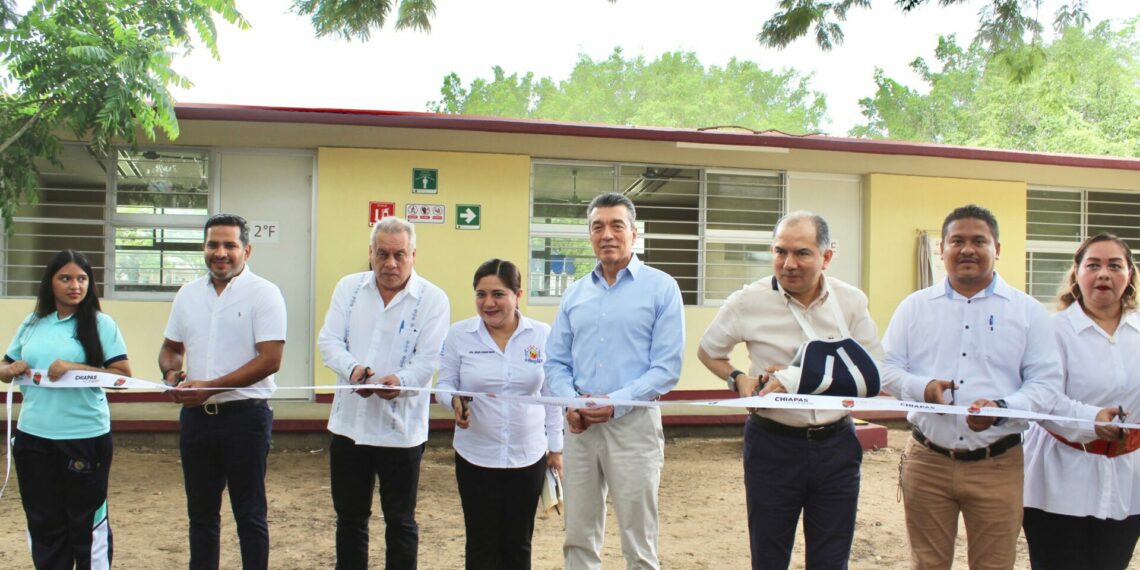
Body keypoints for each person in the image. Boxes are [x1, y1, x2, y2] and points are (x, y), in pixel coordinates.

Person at [697, 211, 883, 569]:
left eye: (802, 253)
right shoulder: (747, 301)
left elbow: (872, 371)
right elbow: (708, 350)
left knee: (831, 559)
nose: (789, 264)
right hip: (772, 445)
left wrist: (795, 378)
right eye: (780, 252)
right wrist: (738, 378)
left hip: (836, 446)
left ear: (827, 256)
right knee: (769, 556)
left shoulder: (851, 301)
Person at [882, 204, 1062, 570]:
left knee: (994, 564)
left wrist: (1001, 408)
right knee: (927, 564)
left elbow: (1046, 384)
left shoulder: (1027, 312)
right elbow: (887, 369)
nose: (967, 249)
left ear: (998, 248)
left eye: (979, 241)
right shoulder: (915, 307)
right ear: (941, 249)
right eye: (957, 241)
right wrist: (923, 387)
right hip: (927, 460)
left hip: (997, 463)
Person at [544, 192, 684, 570]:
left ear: (633, 234)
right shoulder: (574, 294)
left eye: (616, 225)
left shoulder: (661, 288)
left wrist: (616, 402)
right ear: (589, 235)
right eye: (597, 226)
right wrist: (570, 402)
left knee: (639, 539)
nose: (607, 234)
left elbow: (667, 366)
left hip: (634, 426)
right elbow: (555, 360)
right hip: (579, 428)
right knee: (578, 536)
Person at [317, 216, 450, 570]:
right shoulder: (349, 288)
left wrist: (401, 381)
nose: (390, 264)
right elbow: (329, 341)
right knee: (350, 519)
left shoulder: (433, 299)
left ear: (414, 255)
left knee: (400, 520)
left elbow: (430, 358)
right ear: (371, 253)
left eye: (399, 255)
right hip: (350, 427)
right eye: (382, 254)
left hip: (401, 432)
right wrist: (354, 371)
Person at [158, 213, 287, 570]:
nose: (221, 252)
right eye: (213, 244)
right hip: (197, 420)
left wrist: (210, 388)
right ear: (204, 248)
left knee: (250, 514)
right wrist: (171, 374)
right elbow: (170, 348)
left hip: (245, 418)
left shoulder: (265, 294)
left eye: (230, 245)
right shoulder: (187, 294)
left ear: (246, 249)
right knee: (201, 515)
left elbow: (270, 360)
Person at [0, 249, 130, 570]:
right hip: (33, 439)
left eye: (82, 278)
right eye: (66, 278)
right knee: (44, 521)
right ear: (51, 282)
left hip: (84, 437)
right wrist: (11, 368)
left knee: (85, 523)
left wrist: (74, 366)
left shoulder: (102, 324)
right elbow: (4, 367)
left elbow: (122, 377)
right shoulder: (32, 323)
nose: (75, 285)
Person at [436, 258, 564, 569]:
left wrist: (556, 449)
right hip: (476, 455)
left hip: (528, 455)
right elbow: (444, 384)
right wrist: (453, 401)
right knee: (481, 541)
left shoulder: (541, 335)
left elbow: (551, 396)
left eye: (498, 294)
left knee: (518, 541)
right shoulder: (459, 335)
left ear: (518, 295)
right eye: (481, 294)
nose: (488, 303)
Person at [1022, 233, 1140, 570]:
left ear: (1129, 274)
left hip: (1126, 481)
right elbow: (1042, 397)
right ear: (1077, 273)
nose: (1104, 273)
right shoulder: (1050, 330)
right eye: (1094, 265)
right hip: (1058, 478)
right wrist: (1092, 420)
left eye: (1115, 265)